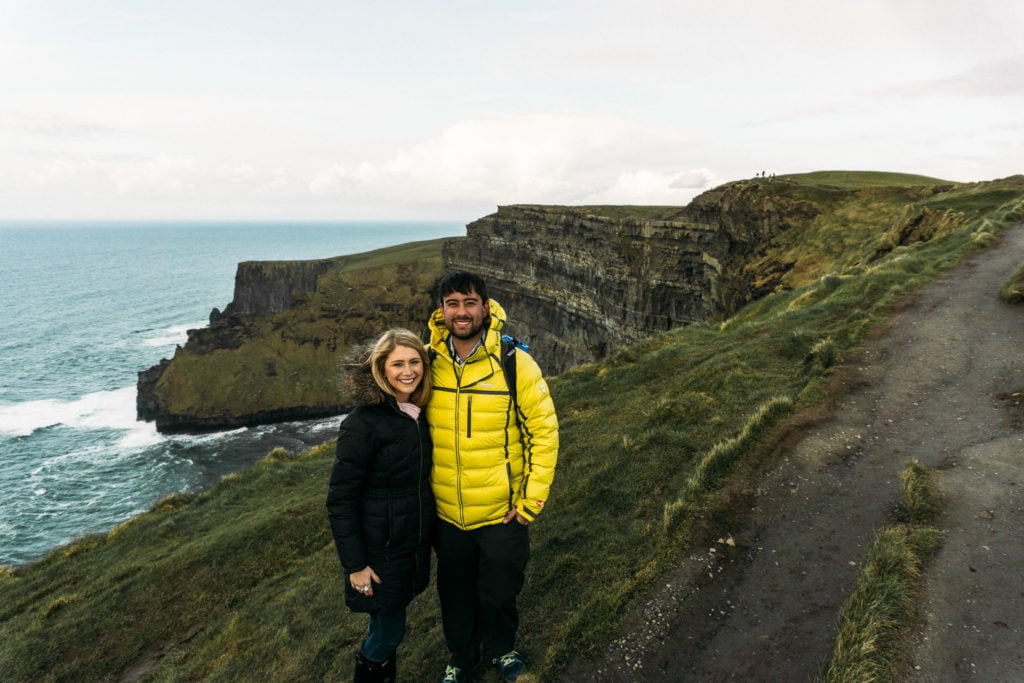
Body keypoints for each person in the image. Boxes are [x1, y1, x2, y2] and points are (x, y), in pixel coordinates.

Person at [426, 271, 559, 683]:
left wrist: (530, 503)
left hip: (503, 512)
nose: (461, 312)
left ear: (485, 307)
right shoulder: (428, 364)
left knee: (499, 592)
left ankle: (502, 649)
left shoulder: (513, 362)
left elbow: (544, 432)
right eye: (453, 304)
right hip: (447, 514)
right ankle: (462, 658)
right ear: (441, 311)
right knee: (455, 596)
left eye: (469, 303)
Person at [326, 328, 435, 683]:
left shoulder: (414, 412)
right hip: (381, 551)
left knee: (384, 625)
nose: (408, 371)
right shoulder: (361, 424)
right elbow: (340, 501)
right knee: (389, 633)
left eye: (415, 361)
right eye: (398, 363)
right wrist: (355, 565)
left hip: (406, 546)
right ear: (380, 369)